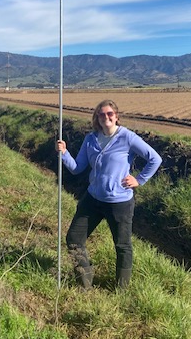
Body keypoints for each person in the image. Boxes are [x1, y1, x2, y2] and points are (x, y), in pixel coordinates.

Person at [56, 99, 162, 290]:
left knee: (122, 246)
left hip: (119, 203)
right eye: (102, 114)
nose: (106, 117)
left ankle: (121, 289)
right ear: (96, 118)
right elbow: (77, 168)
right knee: (74, 238)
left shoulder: (127, 137)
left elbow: (155, 158)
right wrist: (64, 153)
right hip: (92, 199)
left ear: (116, 116)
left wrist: (139, 180)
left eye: (110, 114)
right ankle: (85, 282)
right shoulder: (90, 139)